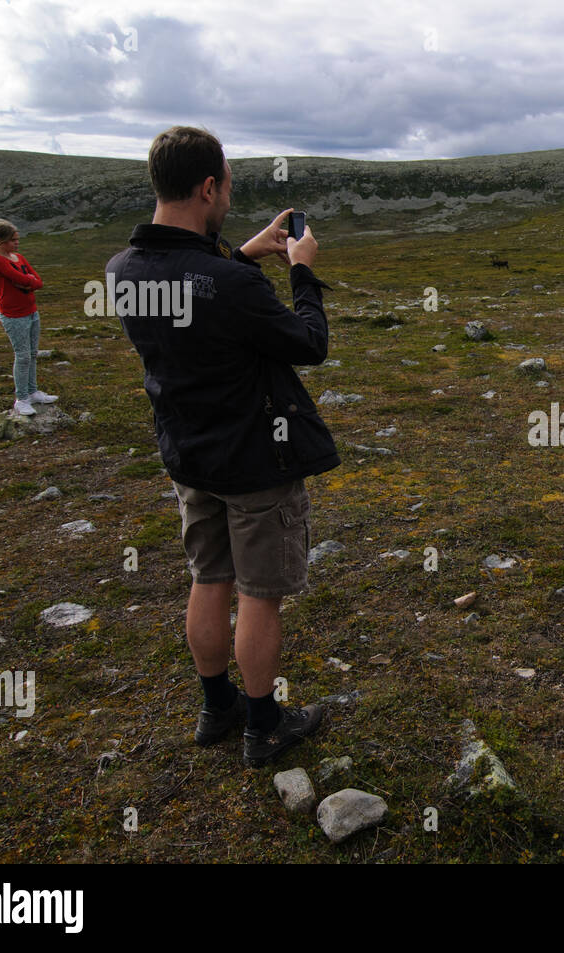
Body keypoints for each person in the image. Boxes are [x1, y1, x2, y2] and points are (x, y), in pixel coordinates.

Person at [108, 126, 340, 767]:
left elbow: (193, 292)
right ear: (209, 187)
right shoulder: (230, 286)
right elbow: (308, 343)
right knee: (259, 593)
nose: (228, 197)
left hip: (188, 456)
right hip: (256, 462)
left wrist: (240, 255)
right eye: (228, 186)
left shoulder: (123, 272)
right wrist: (300, 271)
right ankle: (265, 726)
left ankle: (217, 707)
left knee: (208, 578)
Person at [0, 219, 58, 416]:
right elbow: (22, 279)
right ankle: (22, 398)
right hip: (13, 314)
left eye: (17, 239)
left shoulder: (19, 257)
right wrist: (28, 282)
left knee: (32, 353)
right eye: (12, 240)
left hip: (31, 310)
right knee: (23, 355)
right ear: (0, 240)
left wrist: (28, 283)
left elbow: (38, 282)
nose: (16, 243)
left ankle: (33, 392)